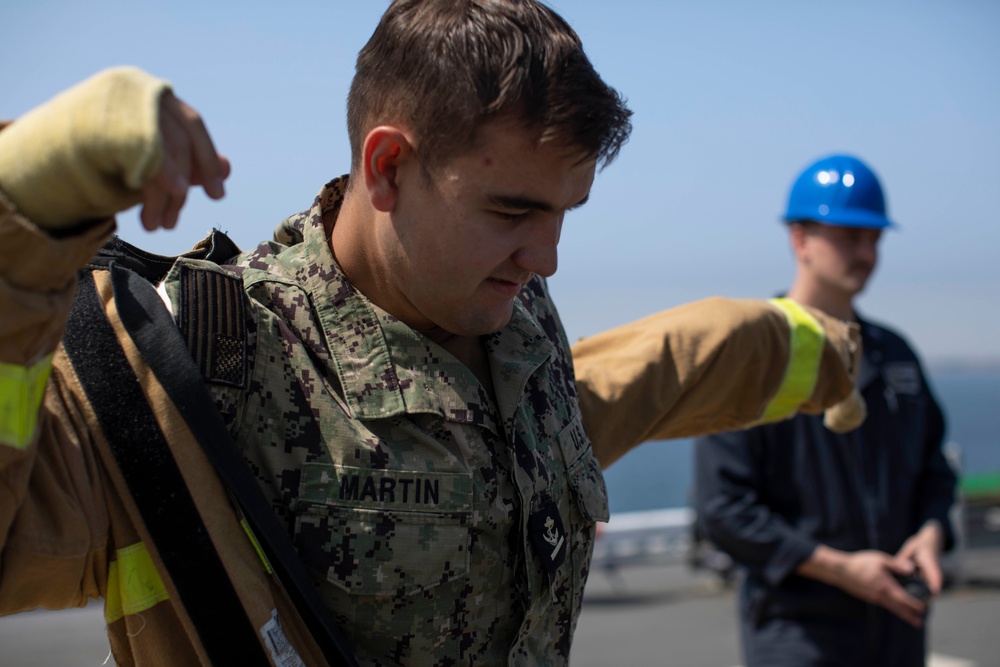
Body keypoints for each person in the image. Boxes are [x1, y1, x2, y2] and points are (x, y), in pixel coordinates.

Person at [0, 2, 864, 665]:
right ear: (387, 168)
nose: (548, 258)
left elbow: (639, 381)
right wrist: (27, 203)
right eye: (513, 210)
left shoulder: (508, 317)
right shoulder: (190, 368)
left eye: (566, 213)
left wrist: (823, 355)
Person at [694, 154, 958, 666]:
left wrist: (930, 533)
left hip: (897, 628)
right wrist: (839, 569)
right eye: (849, 236)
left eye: (874, 238)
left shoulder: (894, 355)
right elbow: (723, 508)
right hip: (798, 634)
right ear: (799, 239)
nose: (866, 252)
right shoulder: (753, 356)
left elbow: (934, 471)